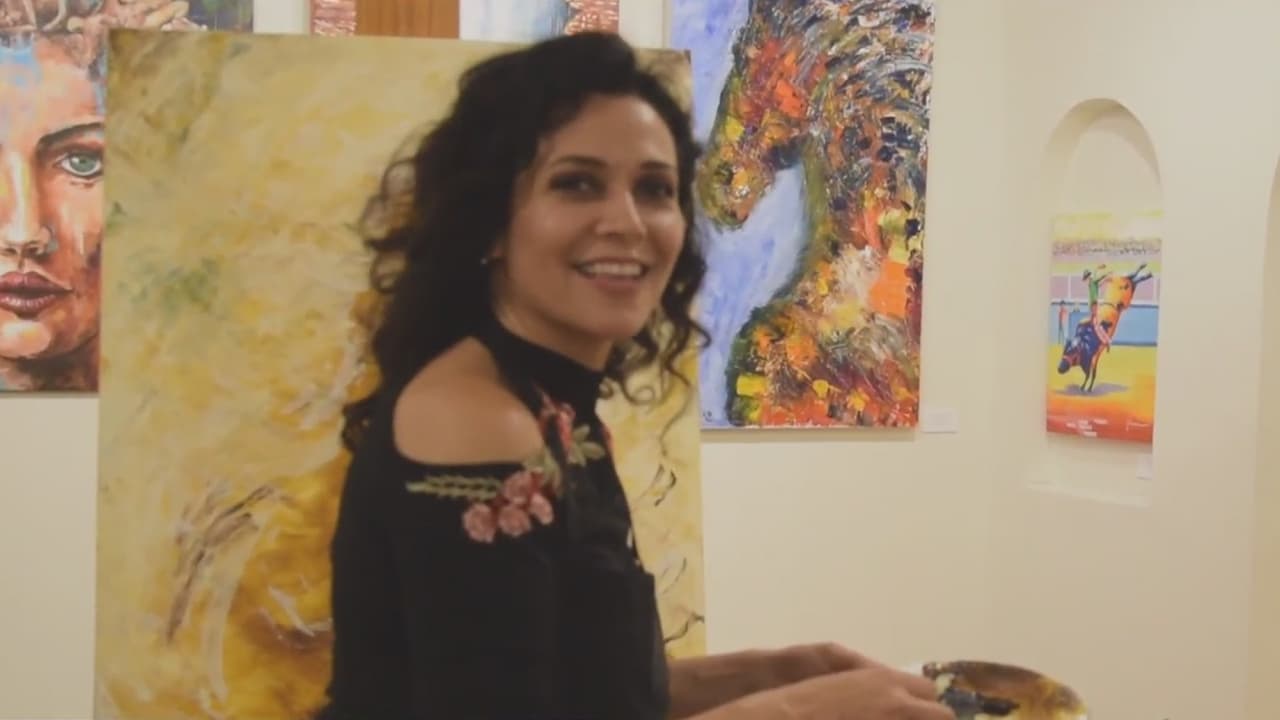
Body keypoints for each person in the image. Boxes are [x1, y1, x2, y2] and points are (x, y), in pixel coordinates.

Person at [317, 32, 954, 720]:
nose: (626, 222)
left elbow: (584, 692)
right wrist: (801, 711)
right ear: (490, 223)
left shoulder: (546, 404)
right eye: (577, 184)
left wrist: (774, 673)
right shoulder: (475, 418)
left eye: (654, 189)